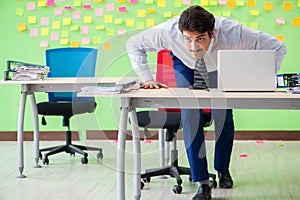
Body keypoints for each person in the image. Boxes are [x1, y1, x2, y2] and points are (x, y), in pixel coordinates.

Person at [126, 5, 287, 200]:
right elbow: (133, 44)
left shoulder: (233, 32)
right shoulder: (167, 32)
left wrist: (264, 78)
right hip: (184, 64)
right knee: (190, 115)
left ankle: (222, 169)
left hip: (219, 66)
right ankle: (202, 182)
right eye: (188, 39)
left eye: (200, 39)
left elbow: (278, 47)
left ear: (212, 33)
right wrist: (146, 77)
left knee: (224, 115)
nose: (194, 46)